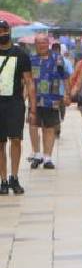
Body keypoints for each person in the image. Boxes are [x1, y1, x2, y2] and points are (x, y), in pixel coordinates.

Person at [0, 20, 35, 195]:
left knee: (15, 140)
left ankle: (14, 176)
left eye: (4, 30)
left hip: (15, 103)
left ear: (9, 31)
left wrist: (33, 108)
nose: (2, 33)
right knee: (0, 143)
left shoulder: (21, 54)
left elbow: (29, 81)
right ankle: (3, 179)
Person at [29, 34, 69, 169]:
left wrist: (67, 94)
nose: (42, 45)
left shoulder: (57, 58)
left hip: (52, 99)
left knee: (49, 128)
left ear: (48, 43)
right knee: (33, 126)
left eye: (44, 42)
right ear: (35, 44)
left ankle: (47, 158)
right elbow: (26, 80)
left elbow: (65, 76)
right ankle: (36, 154)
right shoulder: (31, 59)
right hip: (35, 98)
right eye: (39, 42)